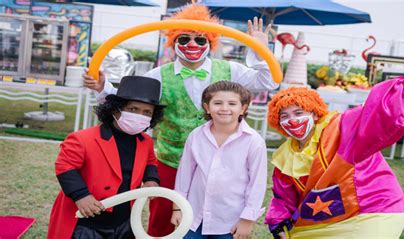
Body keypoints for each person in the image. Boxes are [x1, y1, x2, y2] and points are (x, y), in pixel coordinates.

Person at [83, 3, 278, 236]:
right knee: (163, 221)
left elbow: (269, 82)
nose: (192, 45)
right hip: (171, 162)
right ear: (174, 42)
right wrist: (102, 87)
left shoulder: (230, 70)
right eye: (184, 39)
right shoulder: (159, 75)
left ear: (211, 42)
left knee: (215, 221)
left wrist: (259, 49)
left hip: (219, 164)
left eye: (200, 39)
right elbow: (127, 100)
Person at [264, 45, 404, 238]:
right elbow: (284, 197)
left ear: (315, 114)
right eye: (284, 116)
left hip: (371, 208)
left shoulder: (340, 128)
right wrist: (278, 221)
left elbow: (378, 112)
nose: (292, 120)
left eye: (299, 113)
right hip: (324, 223)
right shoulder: (285, 157)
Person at [48, 76, 165, 239]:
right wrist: (81, 196)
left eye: (147, 112)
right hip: (86, 220)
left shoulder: (145, 141)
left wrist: (151, 180)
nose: (140, 115)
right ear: (115, 109)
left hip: (124, 220)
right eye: (133, 109)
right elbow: (65, 167)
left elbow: (150, 162)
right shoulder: (82, 138)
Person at [170, 81, 268, 239]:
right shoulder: (196, 136)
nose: (224, 108)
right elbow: (184, 175)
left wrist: (247, 220)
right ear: (207, 107)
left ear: (243, 108)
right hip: (194, 216)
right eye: (217, 103)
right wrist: (177, 208)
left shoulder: (253, 141)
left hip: (229, 220)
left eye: (232, 103)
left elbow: (257, 184)